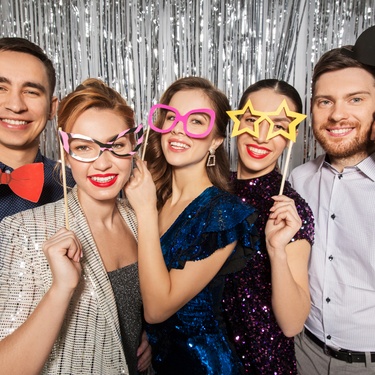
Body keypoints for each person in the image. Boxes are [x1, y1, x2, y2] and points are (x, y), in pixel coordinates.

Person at [0, 78, 151, 374]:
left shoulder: (140, 218)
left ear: (134, 147)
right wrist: (61, 288)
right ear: (66, 155)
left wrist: (151, 337)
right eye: (84, 147)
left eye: (116, 145)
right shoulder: (23, 229)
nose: (103, 164)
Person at [125, 76, 261, 374]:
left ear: (216, 140)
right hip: (160, 362)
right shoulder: (155, 196)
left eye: (196, 121)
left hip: (202, 366)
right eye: (171, 116)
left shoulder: (223, 214)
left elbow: (159, 309)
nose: (177, 128)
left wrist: (146, 211)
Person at [289, 25, 375, 374]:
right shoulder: (298, 180)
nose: (338, 115)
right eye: (326, 101)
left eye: (356, 99)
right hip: (302, 349)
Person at [222, 79, 314, 374]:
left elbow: (292, 324)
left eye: (278, 125)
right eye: (252, 120)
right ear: (237, 122)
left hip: (263, 363)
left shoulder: (290, 210)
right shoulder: (209, 189)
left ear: (291, 136)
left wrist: (277, 250)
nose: (261, 136)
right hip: (201, 357)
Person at [0, 37, 75, 221]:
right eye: (1, 88)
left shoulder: (76, 186)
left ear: (52, 108)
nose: (16, 106)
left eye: (31, 92)